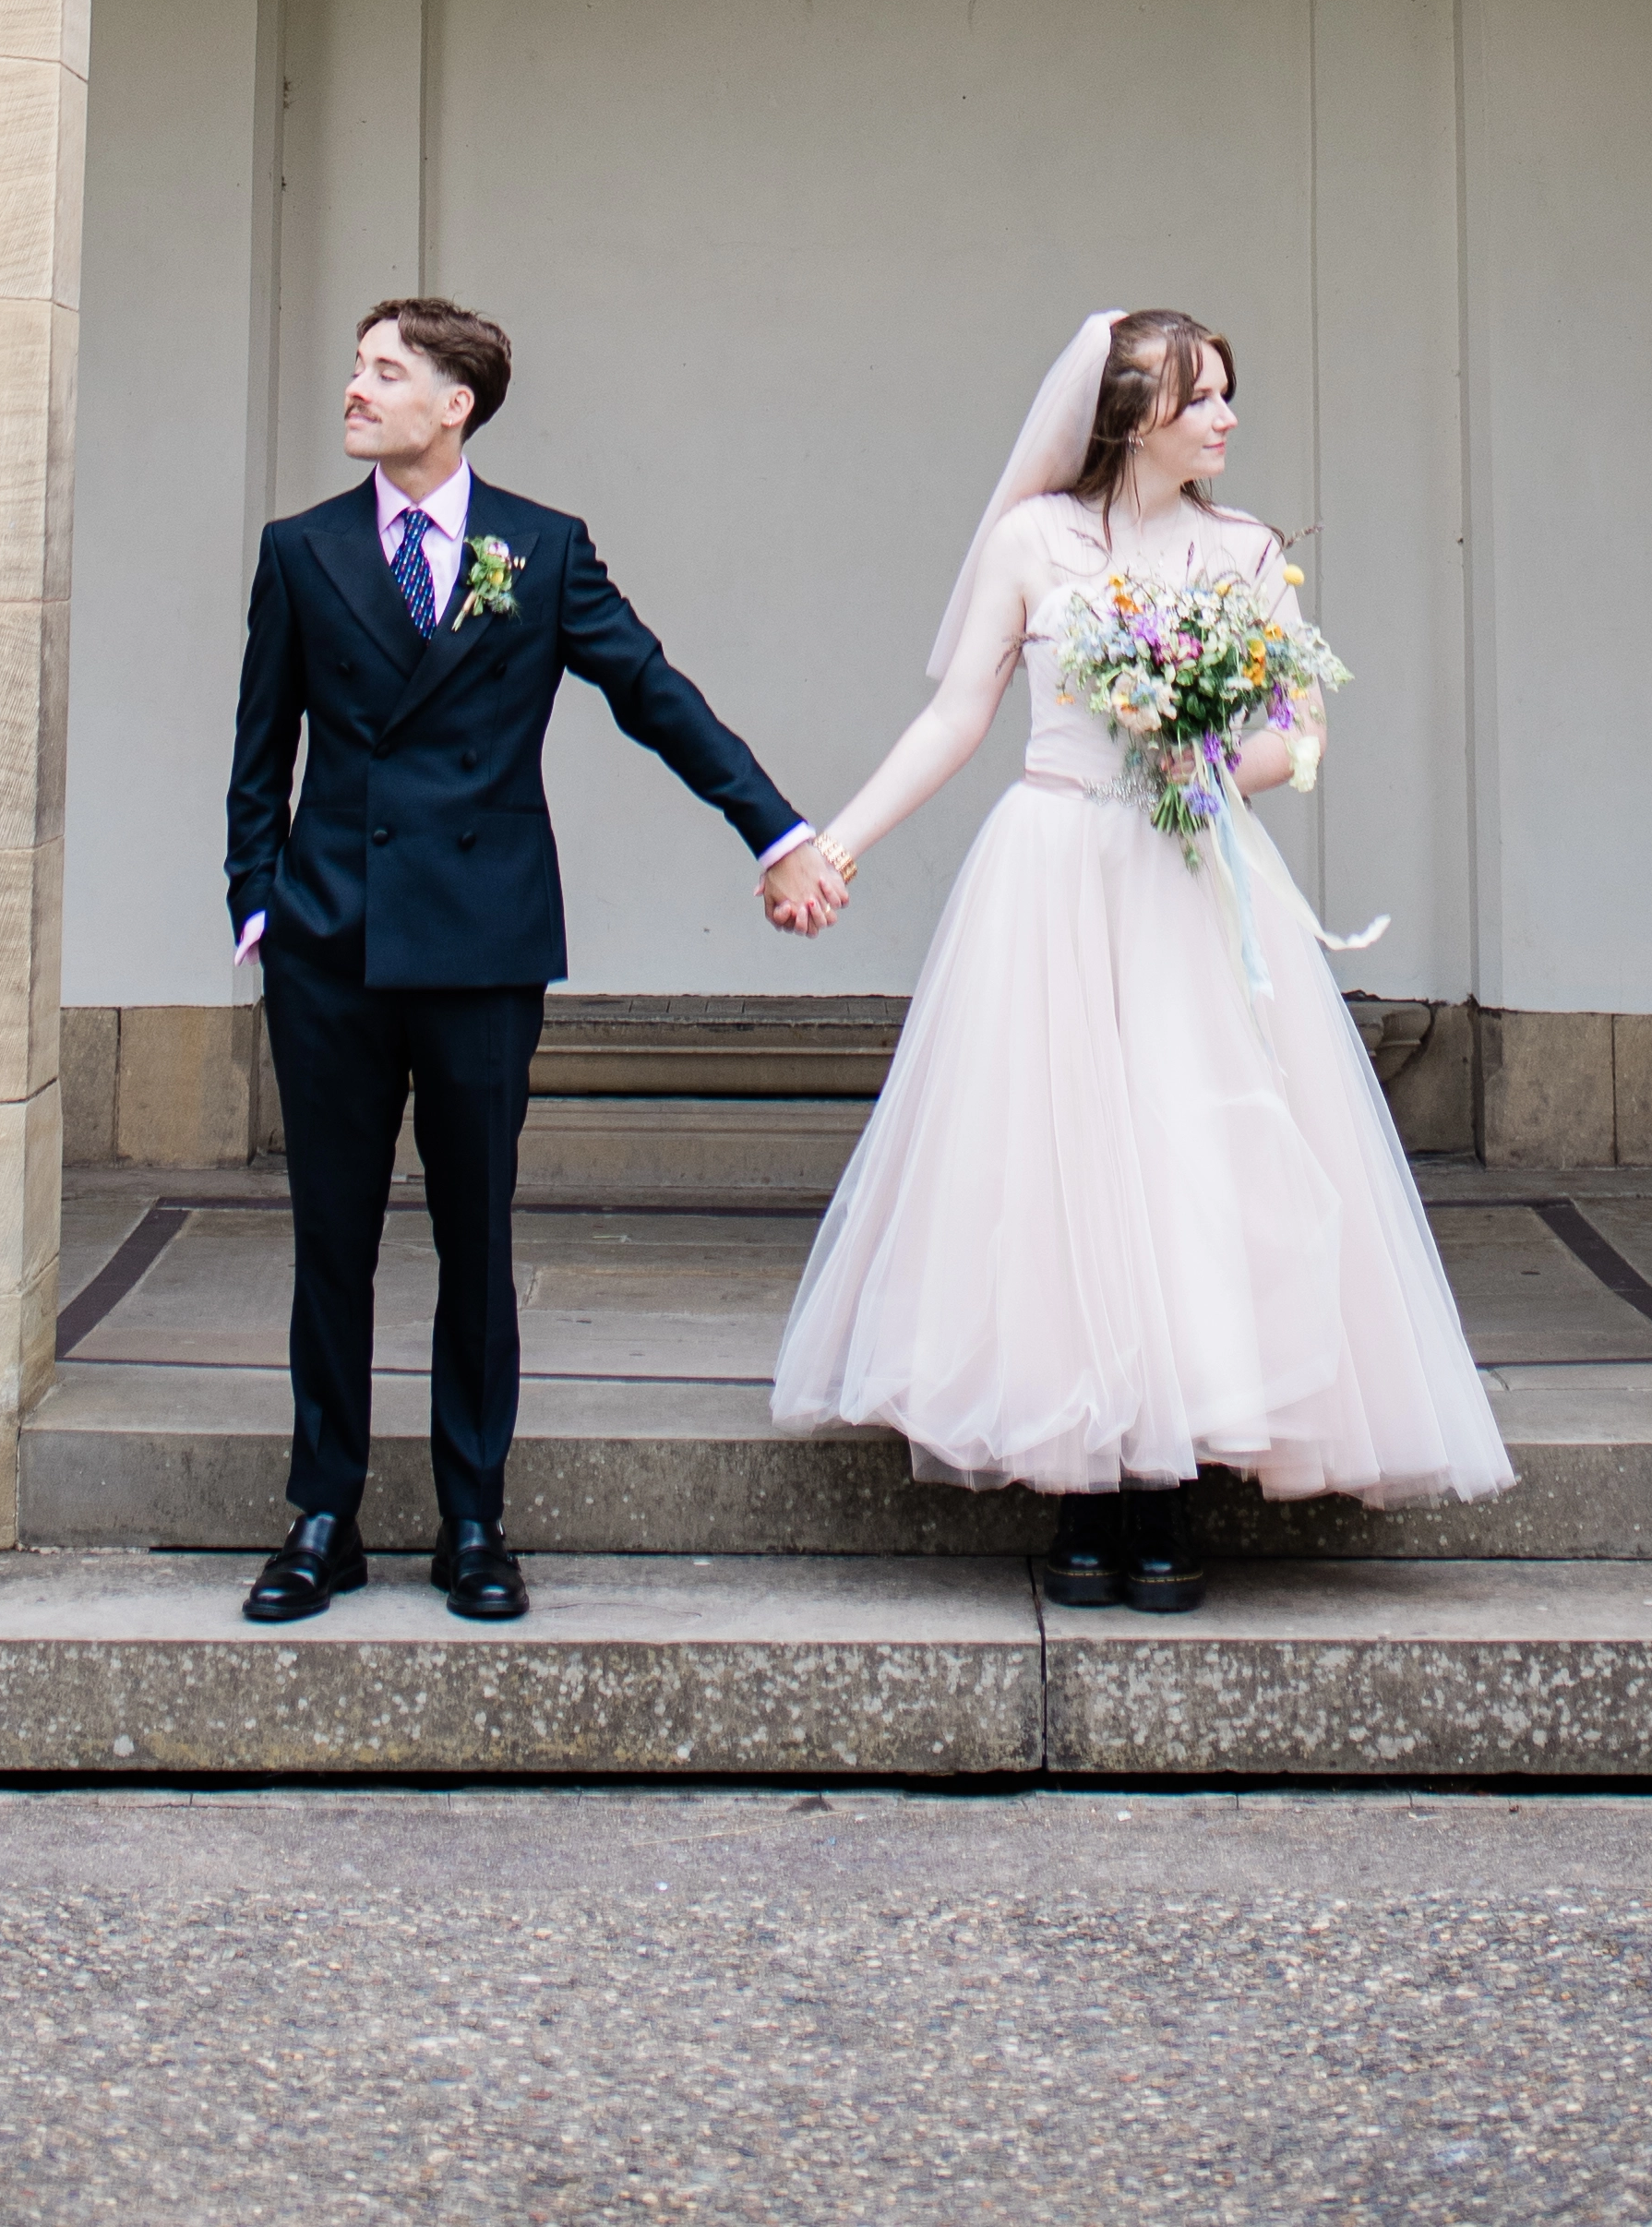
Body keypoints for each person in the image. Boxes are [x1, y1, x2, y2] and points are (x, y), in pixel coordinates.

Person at [762, 306, 1512, 1609]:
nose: (1227, 418)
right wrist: (839, 843)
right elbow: (959, 714)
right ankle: (1082, 1489)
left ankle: (1169, 1490)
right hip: (1050, 868)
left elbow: (1308, 732)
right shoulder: (1031, 541)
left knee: (1190, 1159)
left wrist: (1215, 759)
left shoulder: (1246, 551)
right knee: (1054, 1165)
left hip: (1185, 875)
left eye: (1229, 395)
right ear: (1133, 416)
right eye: (1203, 397)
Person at [221, 292, 826, 1624]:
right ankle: (320, 1514)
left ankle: (474, 1518)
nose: (355, 389)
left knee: (474, 1232)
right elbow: (260, 746)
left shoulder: (539, 551)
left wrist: (774, 830)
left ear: (458, 406)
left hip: (485, 945)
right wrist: (256, 906)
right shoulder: (302, 550)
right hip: (330, 945)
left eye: (386, 371)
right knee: (330, 1239)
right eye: (357, 366)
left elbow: (654, 695)